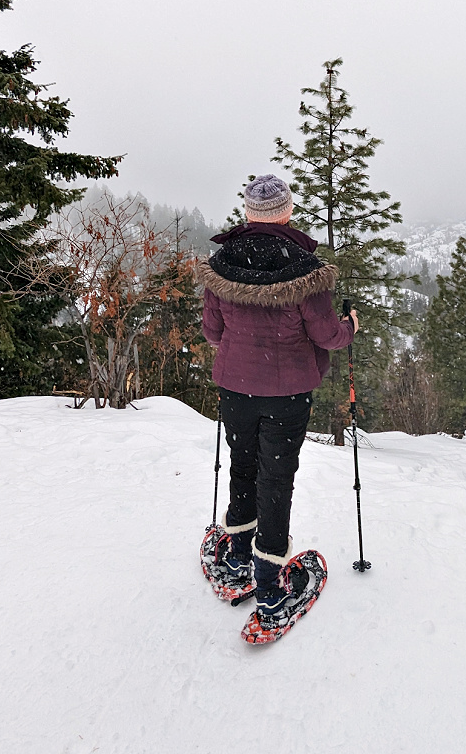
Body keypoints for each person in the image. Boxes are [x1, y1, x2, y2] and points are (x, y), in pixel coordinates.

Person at [198, 174, 358, 625]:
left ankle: (234, 558)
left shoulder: (222, 265)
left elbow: (212, 332)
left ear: (248, 213)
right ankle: (270, 588)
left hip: (236, 387)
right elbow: (328, 336)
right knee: (276, 479)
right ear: (286, 212)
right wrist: (351, 327)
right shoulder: (305, 270)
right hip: (288, 394)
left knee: (243, 466)